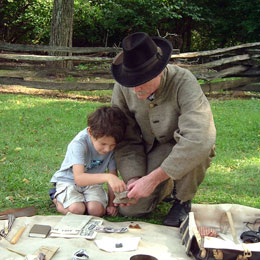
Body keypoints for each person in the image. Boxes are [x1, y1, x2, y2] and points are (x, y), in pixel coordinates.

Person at [111, 32, 216, 227]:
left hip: (183, 145)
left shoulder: (183, 81)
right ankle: (167, 187)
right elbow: (125, 138)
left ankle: (182, 200)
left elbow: (200, 138)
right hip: (152, 150)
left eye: (141, 81)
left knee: (201, 149)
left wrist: (153, 179)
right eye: (131, 82)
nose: (135, 90)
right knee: (131, 209)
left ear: (158, 71)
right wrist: (134, 177)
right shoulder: (123, 87)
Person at [50, 106, 127, 217]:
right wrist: (108, 177)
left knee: (97, 211)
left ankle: (83, 201)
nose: (107, 149)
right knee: (77, 210)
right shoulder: (79, 144)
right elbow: (79, 178)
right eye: (103, 144)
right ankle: (56, 198)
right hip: (69, 181)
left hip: (92, 183)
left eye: (112, 145)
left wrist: (111, 204)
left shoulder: (110, 147)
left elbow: (112, 180)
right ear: (90, 132)